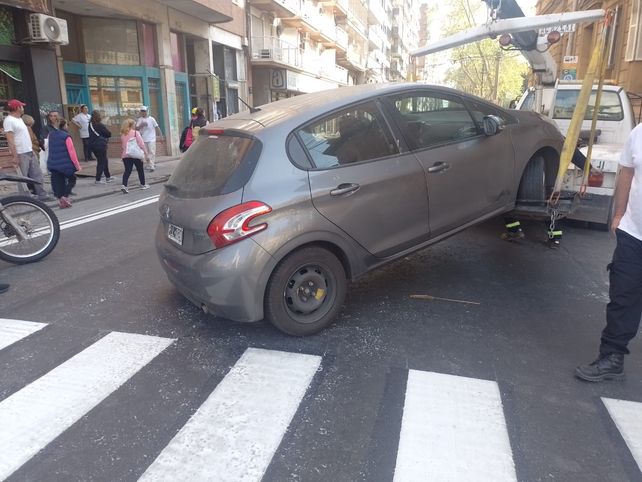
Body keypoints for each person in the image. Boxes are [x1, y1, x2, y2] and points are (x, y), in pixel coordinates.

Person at [576, 124, 642, 382]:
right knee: (622, 296)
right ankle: (612, 357)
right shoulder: (638, 133)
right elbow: (626, 173)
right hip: (634, 233)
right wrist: (618, 214)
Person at [502, 147, 592, 247]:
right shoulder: (549, 134)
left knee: (507, 204)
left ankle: (514, 231)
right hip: (543, 180)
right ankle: (555, 239)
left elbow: (570, 150)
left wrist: (589, 168)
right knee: (548, 209)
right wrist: (588, 168)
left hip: (522, 179)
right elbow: (570, 149)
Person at [3, 99, 52, 201]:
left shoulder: (19, 119)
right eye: (21, 106)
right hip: (21, 152)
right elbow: (10, 139)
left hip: (29, 150)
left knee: (37, 174)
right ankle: (25, 197)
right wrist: (15, 156)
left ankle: (42, 194)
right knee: (22, 177)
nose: (23, 108)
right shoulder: (9, 120)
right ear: (17, 108)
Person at [47, 119, 81, 209]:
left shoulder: (51, 135)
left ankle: (61, 199)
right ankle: (65, 197)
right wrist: (76, 165)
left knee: (58, 182)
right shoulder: (66, 136)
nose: (68, 126)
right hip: (65, 163)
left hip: (53, 162)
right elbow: (72, 152)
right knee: (72, 179)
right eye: (67, 124)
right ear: (64, 125)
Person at [119, 118, 149, 193]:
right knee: (140, 170)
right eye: (134, 124)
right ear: (132, 125)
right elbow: (141, 144)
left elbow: (123, 147)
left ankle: (124, 185)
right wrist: (146, 153)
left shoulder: (123, 134)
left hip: (126, 155)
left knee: (127, 171)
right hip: (136, 154)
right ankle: (143, 184)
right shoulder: (136, 133)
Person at [88, 110, 114, 184]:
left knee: (104, 160)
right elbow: (108, 134)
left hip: (93, 146)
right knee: (101, 162)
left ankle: (108, 177)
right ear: (98, 116)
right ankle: (98, 179)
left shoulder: (90, 124)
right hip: (100, 145)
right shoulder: (99, 125)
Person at [135, 106, 161, 172]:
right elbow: (136, 129)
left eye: (144, 111)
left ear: (147, 111)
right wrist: (142, 125)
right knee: (145, 153)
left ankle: (151, 165)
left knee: (152, 152)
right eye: (142, 111)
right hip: (143, 138)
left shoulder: (151, 119)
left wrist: (161, 136)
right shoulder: (140, 119)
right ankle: (149, 164)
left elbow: (157, 127)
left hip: (151, 138)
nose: (143, 113)